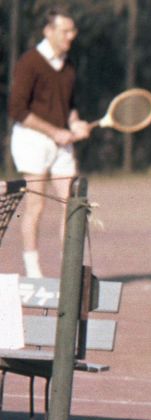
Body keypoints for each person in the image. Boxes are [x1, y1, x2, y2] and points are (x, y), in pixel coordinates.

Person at [7, 6, 90, 277]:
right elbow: (17, 110)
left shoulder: (69, 65)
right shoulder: (29, 62)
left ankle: (69, 272)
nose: (70, 36)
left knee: (73, 204)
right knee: (37, 205)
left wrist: (75, 122)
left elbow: (70, 104)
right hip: (32, 141)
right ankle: (33, 272)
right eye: (65, 30)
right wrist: (54, 132)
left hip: (61, 144)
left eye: (73, 30)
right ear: (48, 31)